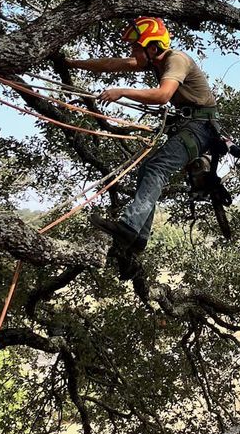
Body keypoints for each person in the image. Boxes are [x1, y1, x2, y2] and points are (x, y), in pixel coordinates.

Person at [66, 17, 218, 272]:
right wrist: (71, 63)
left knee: (156, 168)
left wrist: (121, 91)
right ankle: (138, 239)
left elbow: (162, 96)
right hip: (190, 127)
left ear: (153, 48)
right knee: (149, 169)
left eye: (137, 47)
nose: (132, 53)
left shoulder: (175, 59)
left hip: (200, 128)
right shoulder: (155, 60)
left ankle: (129, 228)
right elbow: (114, 64)